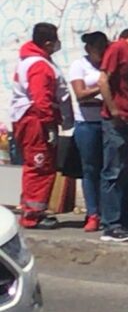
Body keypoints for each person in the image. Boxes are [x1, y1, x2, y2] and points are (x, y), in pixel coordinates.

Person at [10, 23, 70, 229]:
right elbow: (41, 99)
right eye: (55, 41)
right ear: (47, 43)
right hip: (36, 120)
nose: (57, 45)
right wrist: (49, 126)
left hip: (31, 119)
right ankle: (33, 215)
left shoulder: (31, 60)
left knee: (36, 166)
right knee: (40, 166)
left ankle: (32, 210)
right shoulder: (40, 66)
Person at [97, 14, 128, 242]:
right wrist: (113, 109)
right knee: (113, 171)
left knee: (126, 172)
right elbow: (103, 80)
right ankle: (110, 224)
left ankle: (127, 220)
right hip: (115, 120)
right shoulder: (118, 49)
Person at [69, 31, 109, 232]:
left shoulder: (107, 65)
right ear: (88, 49)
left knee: (108, 169)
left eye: (104, 46)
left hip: (106, 122)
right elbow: (80, 94)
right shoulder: (80, 65)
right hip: (87, 124)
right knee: (90, 169)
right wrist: (102, 89)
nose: (101, 51)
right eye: (97, 47)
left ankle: (107, 212)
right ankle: (93, 213)